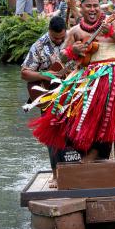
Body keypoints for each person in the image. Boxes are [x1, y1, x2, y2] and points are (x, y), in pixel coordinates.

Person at [27, 0, 115, 162]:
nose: (92, 9)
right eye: (88, 6)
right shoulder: (75, 30)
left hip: (112, 75)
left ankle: (94, 158)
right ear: (81, 8)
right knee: (63, 115)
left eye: (95, 5)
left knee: (103, 119)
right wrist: (73, 51)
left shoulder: (111, 20)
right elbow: (63, 55)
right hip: (86, 77)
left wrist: (111, 32)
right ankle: (85, 156)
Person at [21, 16, 76, 188]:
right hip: (50, 95)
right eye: (55, 38)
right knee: (53, 136)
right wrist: (45, 75)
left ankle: (78, 172)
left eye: (62, 37)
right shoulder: (39, 45)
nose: (59, 41)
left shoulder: (73, 39)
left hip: (74, 94)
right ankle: (55, 174)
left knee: (75, 132)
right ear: (49, 31)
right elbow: (25, 73)